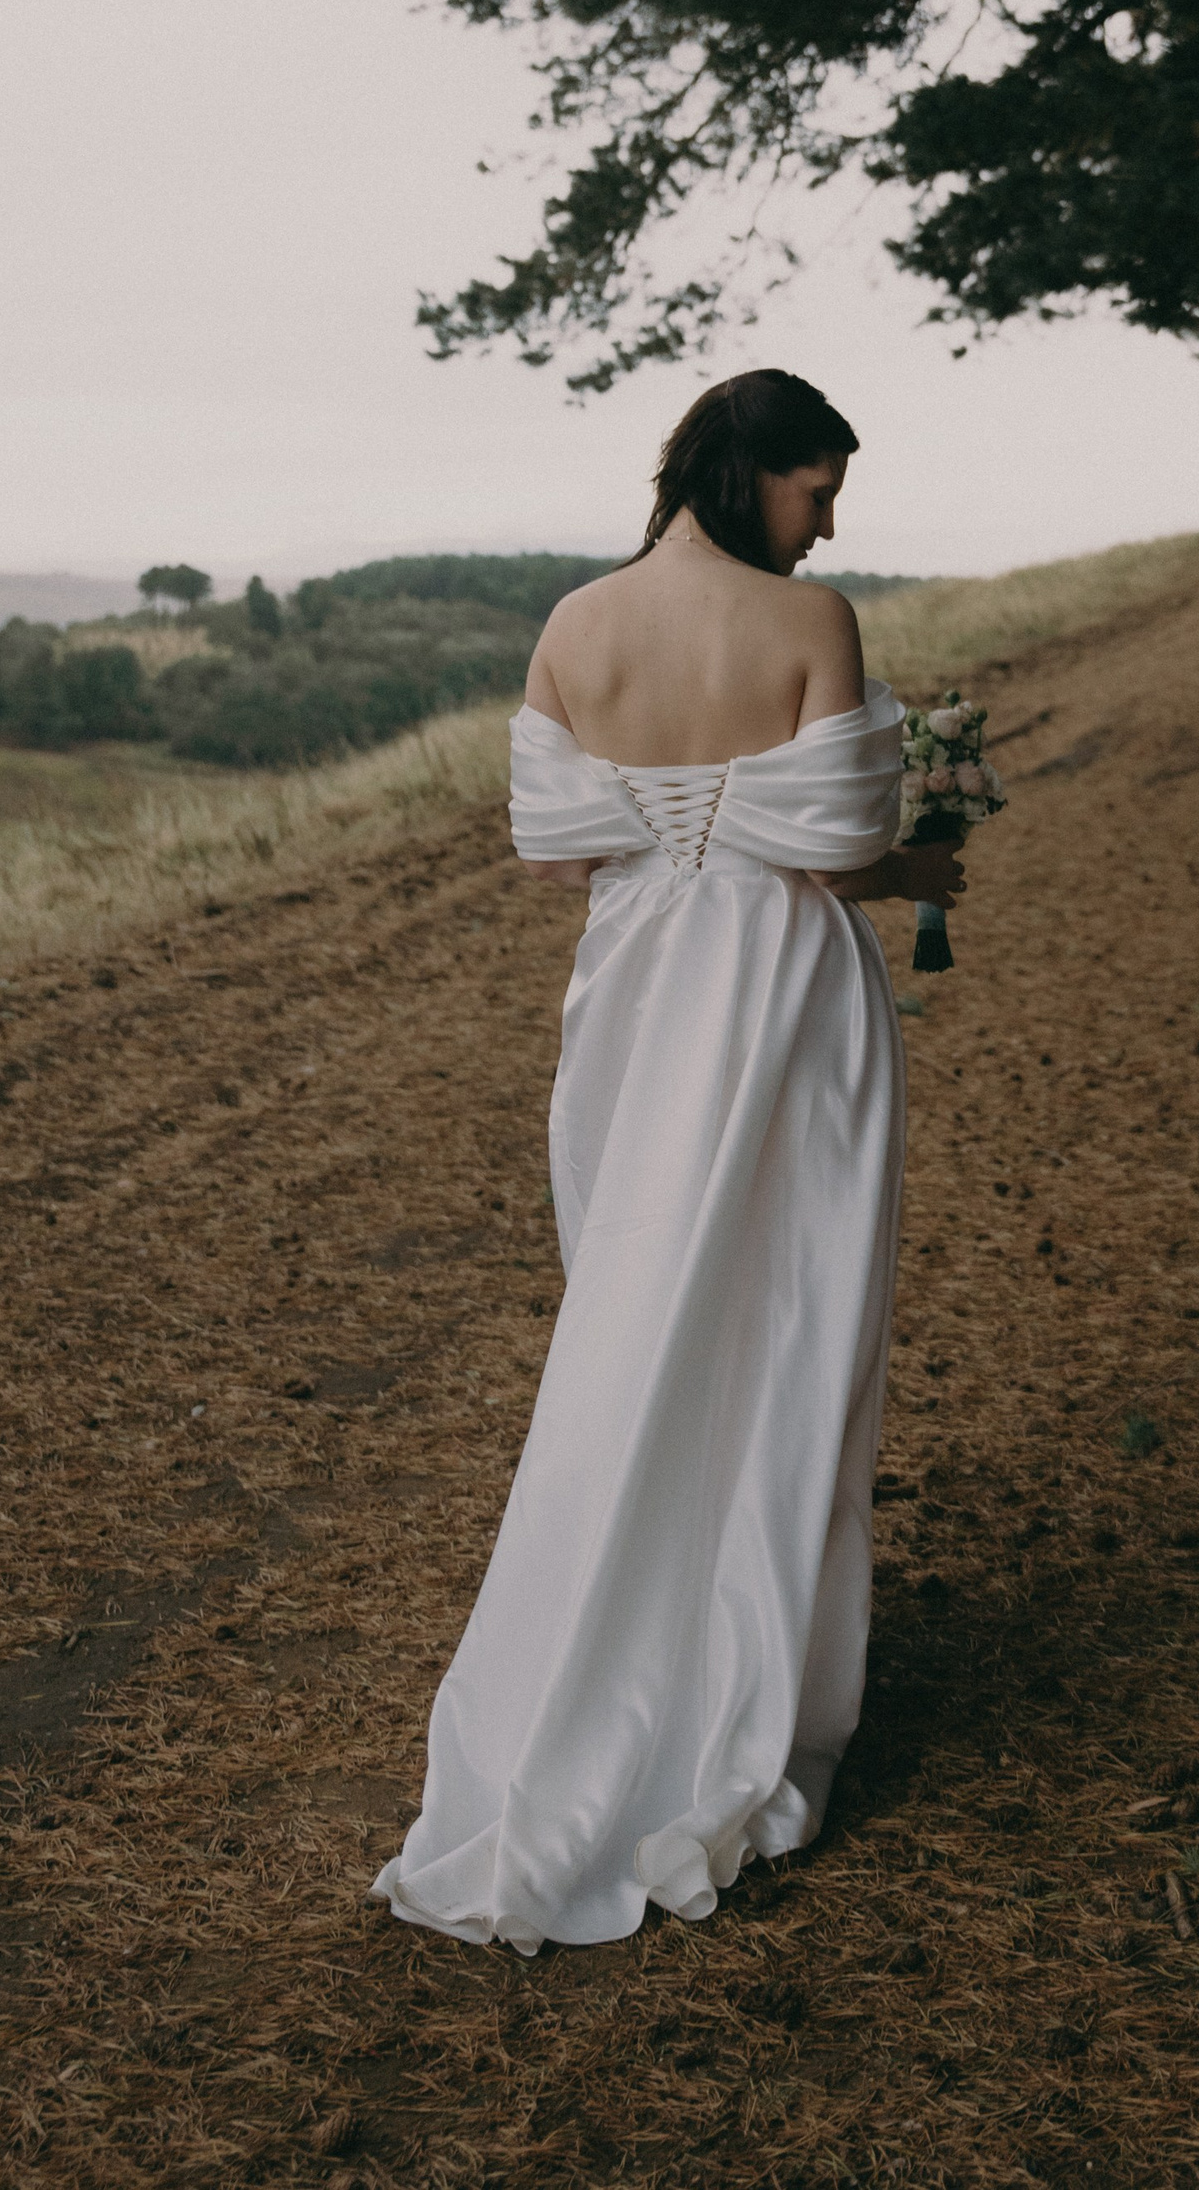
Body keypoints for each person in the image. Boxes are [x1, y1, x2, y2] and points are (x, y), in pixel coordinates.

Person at [370, 371, 962, 1949]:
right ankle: (744, 1682)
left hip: (634, 1002)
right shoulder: (810, 620)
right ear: (753, 470)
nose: (827, 521)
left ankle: (616, 1650)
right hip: (784, 1006)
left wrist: (679, 817)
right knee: (791, 1324)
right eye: (817, 487)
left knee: (636, 1323)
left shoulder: (576, 625)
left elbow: (558, 845)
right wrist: (923, 857)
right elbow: (841, 852)